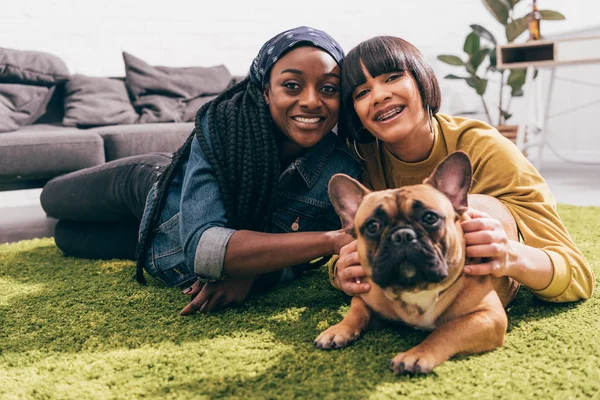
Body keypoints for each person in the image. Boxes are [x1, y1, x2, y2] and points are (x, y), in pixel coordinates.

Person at [40, 26, 361, 315]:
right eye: (291, 85)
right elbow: (203, 248)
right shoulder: (224, 127)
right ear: (265, 91)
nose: (311, 101)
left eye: (328, 88)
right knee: (51, 198)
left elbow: (299, 261)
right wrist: (330, 240)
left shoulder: (341, 171)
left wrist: (253, 272)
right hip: (149, 186)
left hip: (164, 244)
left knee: (66, 237)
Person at [332, 35, 595, 303]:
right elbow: (343, 246)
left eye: (392, 77)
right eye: (362, 92)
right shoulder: (358, 160)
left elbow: (578, 277)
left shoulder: (486, 149)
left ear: (423, 79)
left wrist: (511, 254)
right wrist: (341, 269)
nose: (379, 95)